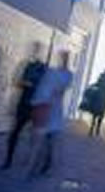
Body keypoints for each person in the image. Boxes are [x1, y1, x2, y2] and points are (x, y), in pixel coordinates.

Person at [25, 49, 73, 177]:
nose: (63, 60)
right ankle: (35, 166)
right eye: (62, 57)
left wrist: (52, 91)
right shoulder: (52, 72)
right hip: (45, 107)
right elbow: (44, 87)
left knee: (49, 139)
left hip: (53, 108)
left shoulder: (66, 74)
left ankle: (44, 164)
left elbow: (61, 89)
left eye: (65, 57)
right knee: (41, 138)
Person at [0, 42, 46, 169]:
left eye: (36, 49)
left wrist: (32, 84)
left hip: (35, 105)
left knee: (35, 135)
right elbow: (16, 80)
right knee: (15, 132)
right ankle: (8, 160)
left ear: (40, 52)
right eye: (32, 49)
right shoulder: (26, 65)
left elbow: (43, 85)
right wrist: (23, 83)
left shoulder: (43, 68)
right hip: (23, 103)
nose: (33, 52)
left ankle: (35, 160)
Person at [88, 66, 105, 136]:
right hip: (104, 95)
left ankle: (93, 128)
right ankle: (96, 128)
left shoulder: (103, 75)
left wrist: (93, 85)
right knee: (101, 113)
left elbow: (98, 83)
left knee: (95, 112)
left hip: (100, 94)